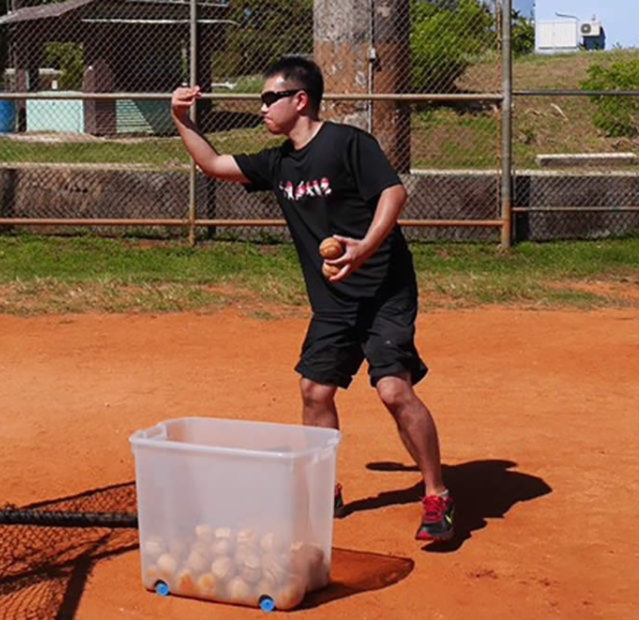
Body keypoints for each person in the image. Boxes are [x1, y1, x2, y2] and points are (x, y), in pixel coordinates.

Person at [169, 57, 454, 542]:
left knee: (393, 391)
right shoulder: (278, 163)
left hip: (384, 290)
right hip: (334, 301)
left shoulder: (347, 143)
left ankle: (437, 495)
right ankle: (325, 490)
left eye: (269, 98)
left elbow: (393, 193)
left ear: (299, 100)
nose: (262, 107)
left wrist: (364, 247)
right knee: (314, 391)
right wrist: (181, 119)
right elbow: (214, 165)